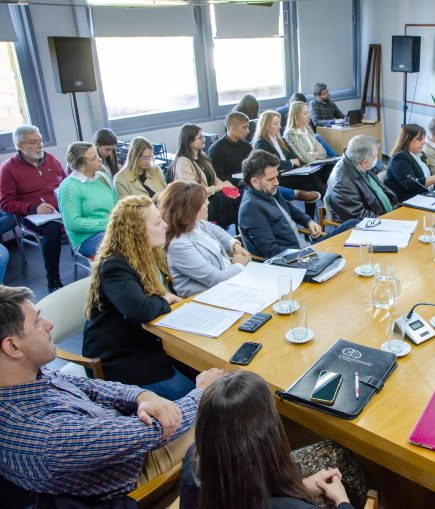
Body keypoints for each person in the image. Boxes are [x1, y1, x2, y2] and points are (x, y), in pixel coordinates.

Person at [0, 284, 228, 504]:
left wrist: (141, 396)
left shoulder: (29, 378)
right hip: (134, 471)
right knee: (228, 415)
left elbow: (90, 387)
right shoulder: (43, 433)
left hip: (126, 439)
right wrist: (201, 394)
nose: (49, 324)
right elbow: (153, 433)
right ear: (12, 346)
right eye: (38, 322)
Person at [179, 370, 375, 509]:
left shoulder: (194, 463)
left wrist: (301, 486)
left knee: (336, 452)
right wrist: (342, 501)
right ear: (267, 436)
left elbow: (241, 488)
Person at [83, 196, 195, 401]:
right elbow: (140, 310)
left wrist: (165, 299)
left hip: (151, 343)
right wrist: (167, 299)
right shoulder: (114, 265)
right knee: (198, 397)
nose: (165, 225)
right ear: (137, 232)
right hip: (122, 357)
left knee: (206, 377)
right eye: (157, 222)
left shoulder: (151, 255)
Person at [238, 150, 358, 259]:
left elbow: (289, 208)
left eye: (276, 177)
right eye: (271, 179)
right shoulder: (251, 208)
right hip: (296, 258)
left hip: (306, 249)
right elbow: (272, 251)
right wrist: (310, 254)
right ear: (254, 182)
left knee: (354, 224)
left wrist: (308, 221)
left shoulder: (267, 191)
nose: (276, 182)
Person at [0, 125, 67, 292]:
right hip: (31, 215)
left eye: (40, 141)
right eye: (33, 142)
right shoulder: (8, 168)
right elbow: (6, 203)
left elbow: (66, 184)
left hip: (60, 209)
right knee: (52, 227)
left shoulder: (50, 159)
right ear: (20, 146)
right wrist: (34, 208)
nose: (40, 146)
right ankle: (53, 280)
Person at [160, 181, 251, 298]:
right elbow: (217, 279)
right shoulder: (178, 244)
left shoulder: (196, 224)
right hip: (210, 297)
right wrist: (239, 265)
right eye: (203, 201)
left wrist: (235, 246)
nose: (208, 203)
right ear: (190, 209)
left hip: (227, 285)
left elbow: (215, 230)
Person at [255, 110, 326, 219]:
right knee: (311, 176)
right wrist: (291, 163)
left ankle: (309, 221)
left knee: (309, 186)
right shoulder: (262, 143)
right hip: (277, 178)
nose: (279, 126)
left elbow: (294, 158)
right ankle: (329, 204)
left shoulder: (281, 140)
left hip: (290, 174)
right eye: (275, 124)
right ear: (266, 126)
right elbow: (272, 164)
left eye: (279, 123)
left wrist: (288, 164)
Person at [170, 124, 238, 229]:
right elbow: (193, 190)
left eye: (203, 136)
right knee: (229, 203)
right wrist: (220, 187)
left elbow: (215, 179)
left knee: (238, 197)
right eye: (200, 138)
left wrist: (228, 189)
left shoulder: (203, 157)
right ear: (189, 141)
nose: (204, 140)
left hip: (211, 197)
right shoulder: (183, 162)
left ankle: (238, 234)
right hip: (196, 203)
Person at [56, 142, 117, 257]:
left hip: (110, 229)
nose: (99, 160)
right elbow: (72, 223)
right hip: (86, 238)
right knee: (126, 244)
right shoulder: (69, 187)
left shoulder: (102, 177)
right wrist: (109, 223)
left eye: (97, 155)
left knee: (144, 234)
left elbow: (115, 205)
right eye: (94, 159)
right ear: (81, 165)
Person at [326, 135, 399, 222]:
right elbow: (358, 216)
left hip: (388, 217)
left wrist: (395, 212)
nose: (376, 160)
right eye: (375, 157)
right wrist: (387, 221)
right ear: (364, 162)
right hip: (373, 226)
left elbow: (382, 191)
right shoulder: (342, 183)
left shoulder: (361, 165)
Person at [384, 124, 435, 202]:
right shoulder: (400, 158)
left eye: (423, 139)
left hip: (426, 195)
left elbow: (424, 178)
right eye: (419, 140)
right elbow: (412, 185)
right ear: (408, 140)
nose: (424, 142)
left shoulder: (420, 155)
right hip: (409, 201)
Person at [285, 101, 335, 183]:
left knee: (336, 167)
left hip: (317, 165)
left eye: (308, 112)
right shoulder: (291, 133)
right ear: (297, 116)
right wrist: (315, 153)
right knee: (332, 172)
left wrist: (310, 153)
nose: (309, 115)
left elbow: (323, 153)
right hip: (306, 169)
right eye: (305, 113)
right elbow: (304, 158)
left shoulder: (308, 129)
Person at [208, 111, 254, 187]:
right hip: (234, 188)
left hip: (251, 184)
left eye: (247, 127)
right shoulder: (216, 149)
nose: (248, 131)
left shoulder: (246, 145)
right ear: (232, 128)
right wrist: (243, 181)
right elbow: (218, 178)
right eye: (244, 127)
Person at [114, 136, 167, 201]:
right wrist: (152, 200)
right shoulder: (120, 179)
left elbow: (166, 192)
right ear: (133, 156)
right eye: (144, 158)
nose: (147, 161)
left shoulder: (155, 170)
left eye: (150, 157)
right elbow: (127, 209)